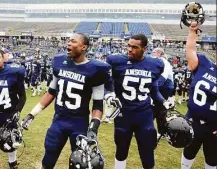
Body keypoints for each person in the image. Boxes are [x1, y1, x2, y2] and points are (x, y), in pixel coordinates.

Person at [21, 33, 111, 169]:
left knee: (80, 163)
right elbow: (50, 93)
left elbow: (98, 105)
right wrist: (32, 114)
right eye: (68, 41)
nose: (68, 44)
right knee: (48, 159)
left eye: (73, 41)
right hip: (59, 121)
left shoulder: (96, 69)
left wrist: (93, 128)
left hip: (79, 123)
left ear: (83, 47)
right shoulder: (60, 62)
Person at [105, 34, 173, 169]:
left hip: (144, 114)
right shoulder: (116, 61)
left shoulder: (156, 64)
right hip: (123, 114)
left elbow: (154, 90)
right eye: (128, 46)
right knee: (121, 149)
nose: (130, 49)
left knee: (147, 151)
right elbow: (107, 82)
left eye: (134, 47)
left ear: (144, 49)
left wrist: (164, 102)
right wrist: (109, 94)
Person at [181, 22, 217, 169]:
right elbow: (190, 50)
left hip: (214, 126)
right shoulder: (203, 63)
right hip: (193, 120)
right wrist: (192, 31)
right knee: (189, 151)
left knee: (212, 158)